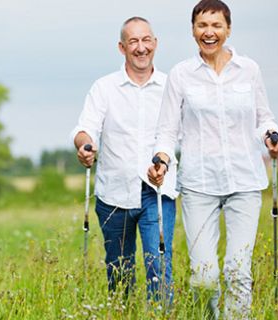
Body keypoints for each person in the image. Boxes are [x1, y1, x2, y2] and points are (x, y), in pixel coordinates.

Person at [148, 0, 278, 318]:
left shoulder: (249, 69)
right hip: (200, 183)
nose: (209, 33)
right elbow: (166, 131)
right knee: (204, 276)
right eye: (202, 26)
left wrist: (272, 136)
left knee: (238, 270)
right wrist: (161, 160)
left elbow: (264, 117)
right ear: (193, 30)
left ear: (228, 29)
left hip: (244, 180)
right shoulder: (182, 75)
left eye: (216, 26)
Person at [71, 17, 178, 305]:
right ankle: (122, 312)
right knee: (120, 272)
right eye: (133, 41)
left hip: (157, 191)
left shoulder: (171, 86)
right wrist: (85, 147)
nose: (141, 48)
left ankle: (161, 314)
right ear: (122, 47)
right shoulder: (104, 87)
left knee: (158, 266)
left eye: (146, 40)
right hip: (114, 193)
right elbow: (85, 129)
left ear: (155, 43)